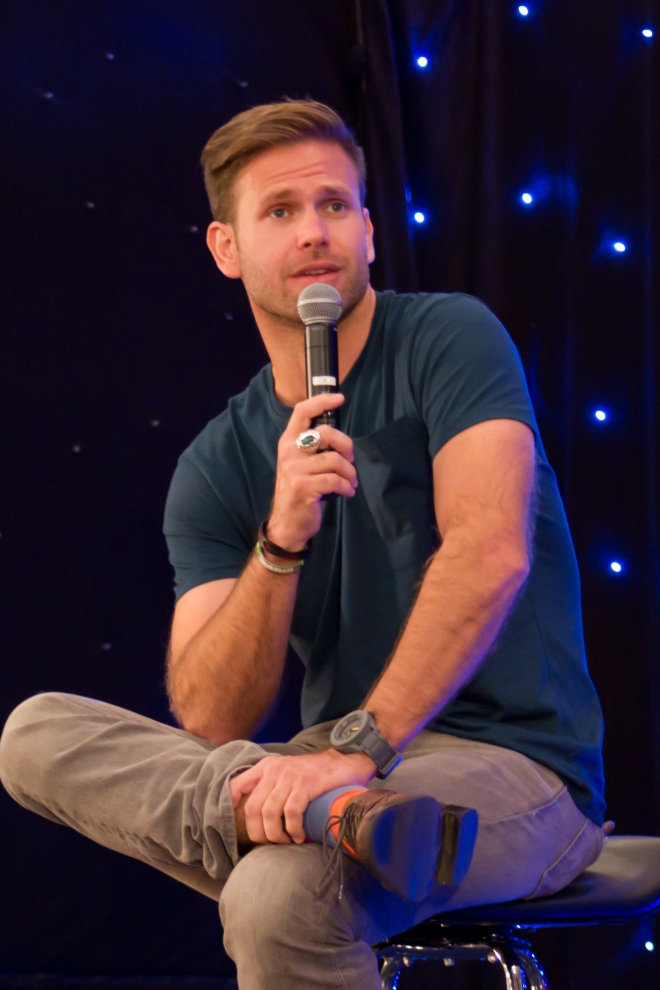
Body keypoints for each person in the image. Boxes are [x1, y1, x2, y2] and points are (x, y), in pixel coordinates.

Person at [0, 100, 607, 990]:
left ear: (369, 231)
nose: (314, 231)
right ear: (226, 249)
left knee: (275, 897)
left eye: (334, 206)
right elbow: (211, 717)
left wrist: (358, 747)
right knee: (33, 733)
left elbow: (491, 553)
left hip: (517, 770)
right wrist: (280, 541)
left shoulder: (450, 338)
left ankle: (336, 809)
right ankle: (342, 816)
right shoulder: (216, 461)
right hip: (323, 770)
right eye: (280, 212)